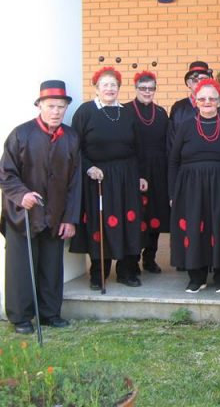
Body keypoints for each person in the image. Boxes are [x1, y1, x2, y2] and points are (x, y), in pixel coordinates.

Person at [0, 81, 80, 333]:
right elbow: (6, 173)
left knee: (51, 267)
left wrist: (70, 218)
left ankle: (49, 313)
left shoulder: (71, 137)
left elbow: (75, 183)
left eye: (60, 106)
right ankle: (21, 317)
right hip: (23, 214)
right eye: (50, 106)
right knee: (21, 268)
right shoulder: (20, 134)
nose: (56, 111)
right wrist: (21, 194)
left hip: (55, 214)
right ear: (40, 106)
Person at [70, 67, 146, 290]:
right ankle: (98, 272)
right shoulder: (85, 112)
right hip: (98, 177)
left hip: (126, 175)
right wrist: (89, 168)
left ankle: (126, 270)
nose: (110, 89)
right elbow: (75, 148)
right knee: (101, 224)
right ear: (96, 87)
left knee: (128, 222)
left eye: (114, 85)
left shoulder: (127, 112)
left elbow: (137, 148)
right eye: (105, 84)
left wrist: (141, 175)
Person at [168, 78, 220, 293]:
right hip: (191, 188)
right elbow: (173, 161)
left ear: (219, 101)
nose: (207, 102)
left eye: (212, 98)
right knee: (194, 229)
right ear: (196, 101)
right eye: (202, 98)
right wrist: (172, 192)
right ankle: (197, 276)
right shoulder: (185, 127)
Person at [125, 70, 170, 274]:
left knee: (156, 215)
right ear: (136, 89)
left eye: (151, 88)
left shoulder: (161, 113)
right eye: (143, 88)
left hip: (158, 170)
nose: (147, 92)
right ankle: (131, 261)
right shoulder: (125, 111)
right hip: (135, 168)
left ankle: (149, 258)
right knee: (136, 216)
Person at [168, 61, 213, 152]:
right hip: (184, 163)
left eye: (203, 79)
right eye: (195, 80)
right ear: (188, 83)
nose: (199, 83)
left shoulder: (218, 107)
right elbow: (171, 142)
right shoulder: (178, 108)